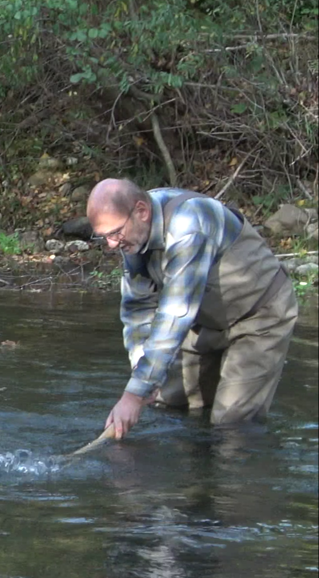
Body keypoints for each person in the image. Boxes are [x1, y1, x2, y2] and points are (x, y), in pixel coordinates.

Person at [87, 178, 298, 436]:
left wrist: (132, 395)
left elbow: (175, 313)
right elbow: (137, 308)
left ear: (141, 211)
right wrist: (140, 373)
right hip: (204, 320)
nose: (111, 244)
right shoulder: (132, 232)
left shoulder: (189, 223)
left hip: (260, 316)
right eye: (104, 237)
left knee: (231, 425)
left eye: (114, 233)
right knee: (171, 405)